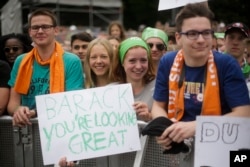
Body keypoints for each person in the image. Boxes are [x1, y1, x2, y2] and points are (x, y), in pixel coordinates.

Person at [151, 3, 250, 167]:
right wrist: (165, 129)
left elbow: (244, 113)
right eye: (192, 34)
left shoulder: (226, 64)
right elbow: (157, 105)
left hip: (221, 153)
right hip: (180, 152)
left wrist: (197, 127)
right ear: (178, 38)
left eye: (206, 33)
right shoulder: (167, 62)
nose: (201, 40)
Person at [7, 8, 84, 127]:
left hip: (60, 128)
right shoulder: (21, 61)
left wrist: (35, 113)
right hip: (27, 130)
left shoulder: (71, 61)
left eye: (45, 27)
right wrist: (18, 110)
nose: (40, 31)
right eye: (35, 27)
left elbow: (72, 103)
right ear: (30, 32)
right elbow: (13, 104)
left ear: (56, 30)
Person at [114, 37, 155, 122]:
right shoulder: (110, 91)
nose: (138, 66)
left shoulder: (159, 86)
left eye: (143, 60)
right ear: (122, 62)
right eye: (132, 61)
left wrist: (150, 116)